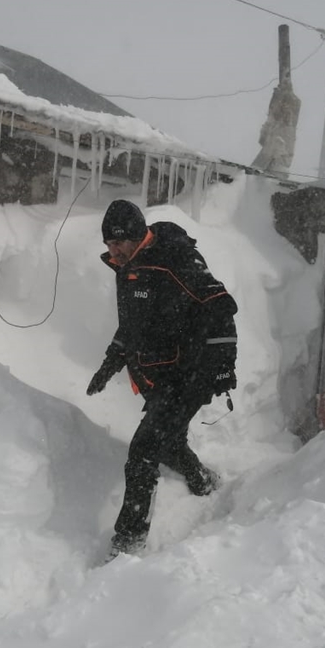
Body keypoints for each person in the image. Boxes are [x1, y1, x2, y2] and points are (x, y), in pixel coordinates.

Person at [86, 199, 238, 559]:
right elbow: (132, 325)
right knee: (167, 440)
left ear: (138, 235)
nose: (114, 249)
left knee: (142, 453)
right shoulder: (127, 268)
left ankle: (128, 539)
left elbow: (220, 305)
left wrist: (223, 364)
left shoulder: (175, 261)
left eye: (119, 241)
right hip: (159, 375)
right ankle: (203, 482)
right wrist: (111, 363)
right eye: (108, 243)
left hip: (190, 373)